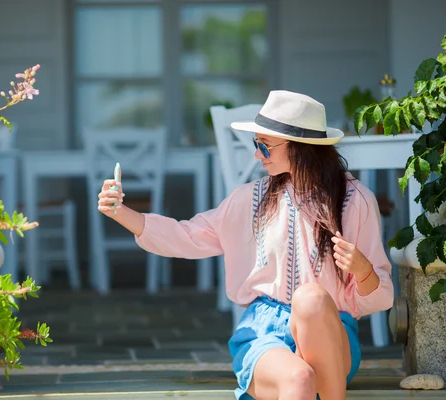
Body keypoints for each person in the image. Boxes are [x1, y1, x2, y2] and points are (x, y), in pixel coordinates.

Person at [96, 90, 394, 400]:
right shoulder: (250, 200)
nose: (256, 155)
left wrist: (363, 271)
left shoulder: (355, 202)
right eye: (256, 145)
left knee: (312, 299)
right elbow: (188, 236)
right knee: (299, 378)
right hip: (267, 335)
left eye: (264, 146)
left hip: (332, 332)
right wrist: (122, 214)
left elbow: (382, 296)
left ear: (300, 148)